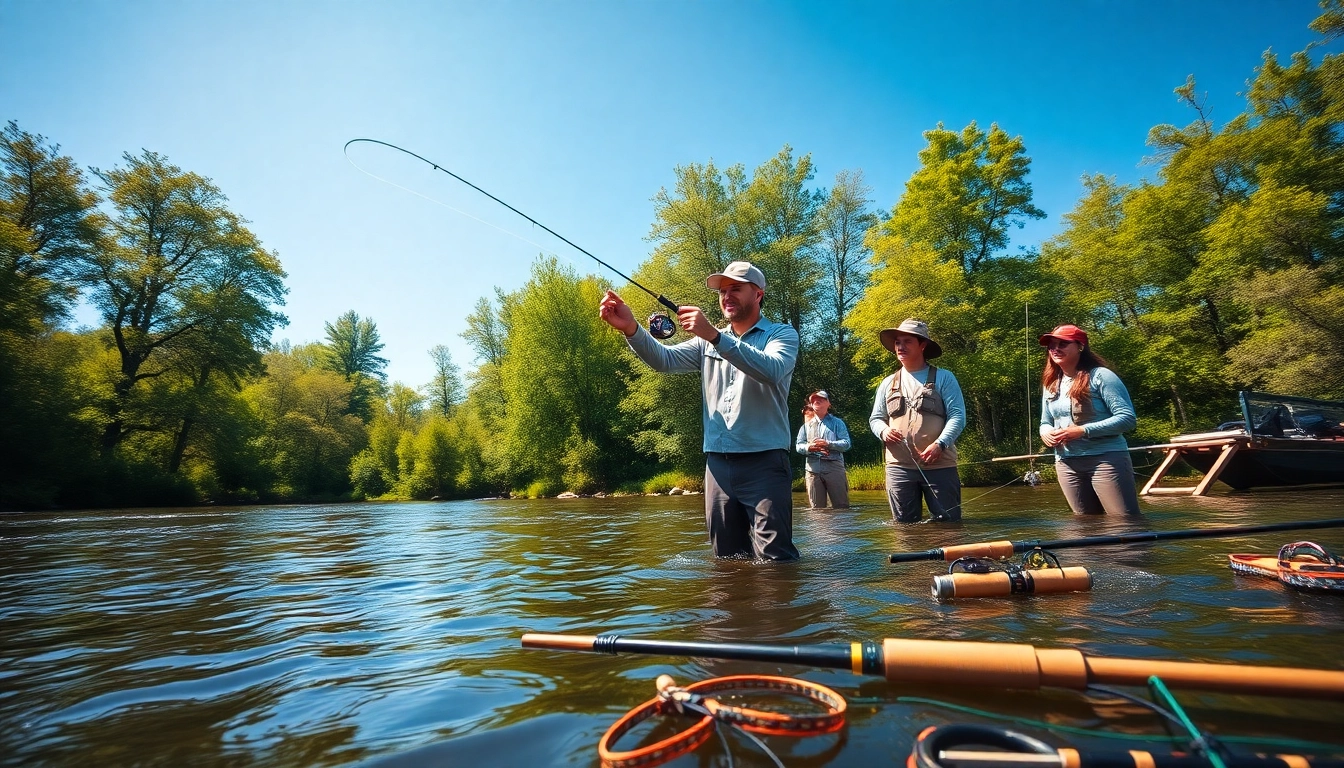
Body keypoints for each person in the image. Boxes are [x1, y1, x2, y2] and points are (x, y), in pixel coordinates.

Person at [599, 261, 801, 560]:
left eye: (735, 289)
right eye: (722, 291)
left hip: (765, 461)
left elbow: (772, 370)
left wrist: (716, 337)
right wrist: (631, 328)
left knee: (776, 559)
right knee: (727, 558)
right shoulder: (705, 342)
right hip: (718, 466)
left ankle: (780, 606)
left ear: (758, 294)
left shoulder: (781, 335)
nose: (726, 296)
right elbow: (663, 360)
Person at [868, 319, 966, 522]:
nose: (900, 347)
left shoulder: (945, 378)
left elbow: (958, 416)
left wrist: (940, 444)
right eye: (897, 342)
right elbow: (876, 419)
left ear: (922, 345)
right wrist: (884, 431)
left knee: (949, 527)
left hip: (940, 465)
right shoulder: (887, 383)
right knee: (904, 529)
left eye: (907, 341)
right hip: (898, 468)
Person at [1038, 324, 1140, 515]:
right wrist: (1045, 433)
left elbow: (1127, 419)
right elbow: (1045, 422)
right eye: (1051, 345)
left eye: (1063, 344)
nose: (1055, 349)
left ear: (1080, 347)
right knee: (1085, 527)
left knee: (1124, 522)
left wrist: (1082, 430)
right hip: (1066, 463)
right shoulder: (1051, 383)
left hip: (1107, 459)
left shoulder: (1101, 376)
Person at [795, 390, 851, 509]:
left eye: (820, 399)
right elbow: (798, 445)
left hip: (834, 468)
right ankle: (819, 529)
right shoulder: (805, 426)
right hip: (812, 470)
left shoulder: (838, 423)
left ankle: (840, 528)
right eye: (813, 400)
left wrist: (828, 444)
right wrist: (809, 447)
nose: (816, 401)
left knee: (841, 508)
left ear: (828, 403)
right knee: (816, 510)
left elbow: (846, 444)